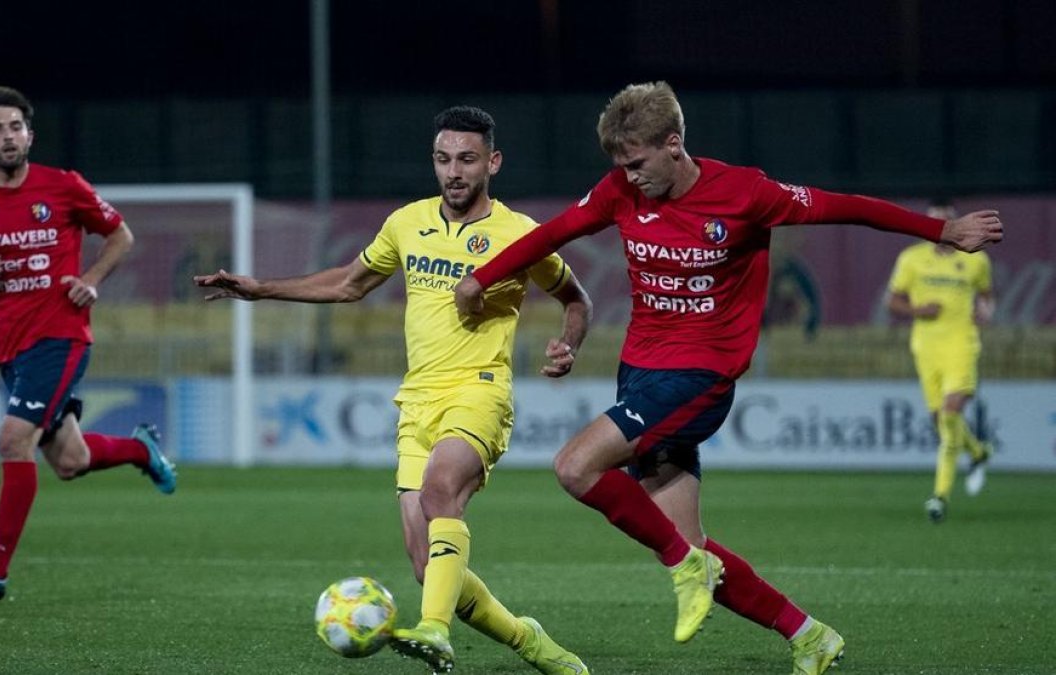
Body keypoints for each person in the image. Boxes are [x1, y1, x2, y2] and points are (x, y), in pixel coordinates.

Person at [454, 82, 1003, 674]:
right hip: (640, 372)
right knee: (690, 547)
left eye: (637, 164)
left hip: (702, 374)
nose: (628, 177)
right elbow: (553, 233)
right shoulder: (620, 190)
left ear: (674, 144)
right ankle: (809, 635)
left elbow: (847, 206)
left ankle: (686, 567)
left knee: (574, 466)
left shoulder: (746, 194)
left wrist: (940, 231)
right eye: (619, 166)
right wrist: (481, 278)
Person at [194, 106, 593, 674]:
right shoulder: (407, 223)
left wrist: (568, 343)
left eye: (467, 159)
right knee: (429, 568)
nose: (453, 171)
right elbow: (350, 284)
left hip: (479, 390)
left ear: (492, 163)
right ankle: (530, 641)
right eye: (443, 159)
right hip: (417, 399)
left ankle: (434, 630)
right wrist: (260, 289)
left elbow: (576, 298)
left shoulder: (519, 233)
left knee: (440, 494)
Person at [0, 86, 177, 600]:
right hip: (11, 346)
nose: (8, 136)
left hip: (61, 335)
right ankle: (142, 450)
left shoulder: (63, 186)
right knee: (69, 461)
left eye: (15, 127)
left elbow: (121, 235)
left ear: (30, 134)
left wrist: (91, 279)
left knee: (12, 439)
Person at [887, 200, 995, 523]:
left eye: (946, 221)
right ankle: (978, 452)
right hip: (925, 347)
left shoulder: (976, 260)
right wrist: (918, 311)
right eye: (934, 222)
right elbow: (893, 301)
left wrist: (985, 311)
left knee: (949, 415)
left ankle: (940, 496)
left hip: (961, 344)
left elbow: (988, 296)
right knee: (941, 420)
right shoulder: (911, 259)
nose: (940, 229)